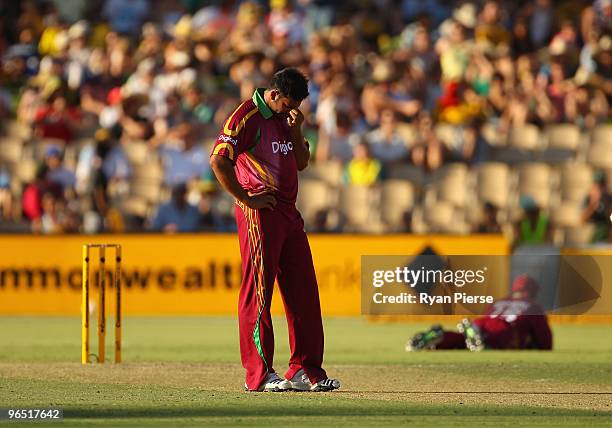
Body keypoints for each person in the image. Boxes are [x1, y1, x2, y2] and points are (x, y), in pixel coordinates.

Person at [209, 68, 340, 392]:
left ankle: (305, 370)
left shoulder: (288, 118)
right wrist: (245, 199)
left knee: (304, 292)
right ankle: (259, 373)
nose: (292, 111)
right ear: (275, 94)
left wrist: (296, 132)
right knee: (258, 293)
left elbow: (302, 162)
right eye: (288, 104)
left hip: (289, 214)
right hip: (260, 214)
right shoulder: (245, 116)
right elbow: (218, 160)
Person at [406, 274, 553, 351]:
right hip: (504, 327)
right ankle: (478, 339)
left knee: (463, 341)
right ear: (533, 292)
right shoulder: (533, 307)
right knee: (491, 342)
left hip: (481, 323)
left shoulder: (498, 302)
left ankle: (442, 337)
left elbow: (488, 317)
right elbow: (545, 341)